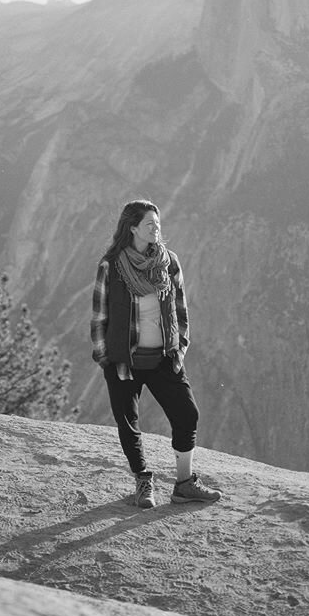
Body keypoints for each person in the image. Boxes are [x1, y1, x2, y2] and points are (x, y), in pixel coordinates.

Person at [90, 199, 221, 508]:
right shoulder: (111, 266)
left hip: (164, 357)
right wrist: (106, 358)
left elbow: (180, 310)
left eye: (158, 224)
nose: (156, 229)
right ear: (133, 228)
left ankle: (184, 484)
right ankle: (142, 481)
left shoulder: (169, 262)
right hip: (125, 360)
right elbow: (99, 316)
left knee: (187, 414)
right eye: (150, 224)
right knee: (129, 423)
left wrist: (180, 350)